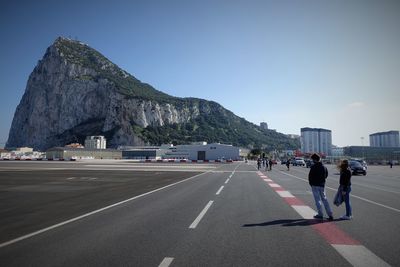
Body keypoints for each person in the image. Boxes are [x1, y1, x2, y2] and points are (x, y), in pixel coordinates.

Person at [308, 153, 333, 221]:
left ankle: (320, 214)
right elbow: (326, 175)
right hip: (322, 185)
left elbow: (310, 176)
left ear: (314, 159)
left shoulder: (313, 167)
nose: (312, 160)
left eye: (312, 159)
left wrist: (311, 183)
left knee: (317, 200)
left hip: (315, 185)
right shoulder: (324, 167)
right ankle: (330, 214)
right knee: (325, 199)